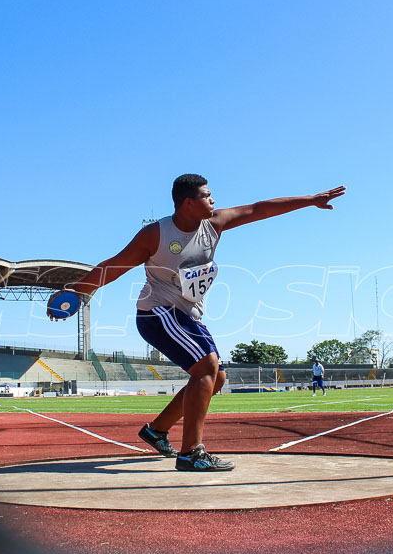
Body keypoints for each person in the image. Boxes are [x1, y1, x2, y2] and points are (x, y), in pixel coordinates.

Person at [49, 174, 345, 472]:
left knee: (216, 378)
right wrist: (74, 293)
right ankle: (192, 452)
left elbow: (259, 209)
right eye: (207, 195)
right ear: (188, 203)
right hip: (157, 313)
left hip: (187, 315)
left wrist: (310, 200)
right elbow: (113, 266)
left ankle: (157, 430)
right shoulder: (156, 235)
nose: (213, 200)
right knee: (206, 367)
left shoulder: (214, 224)